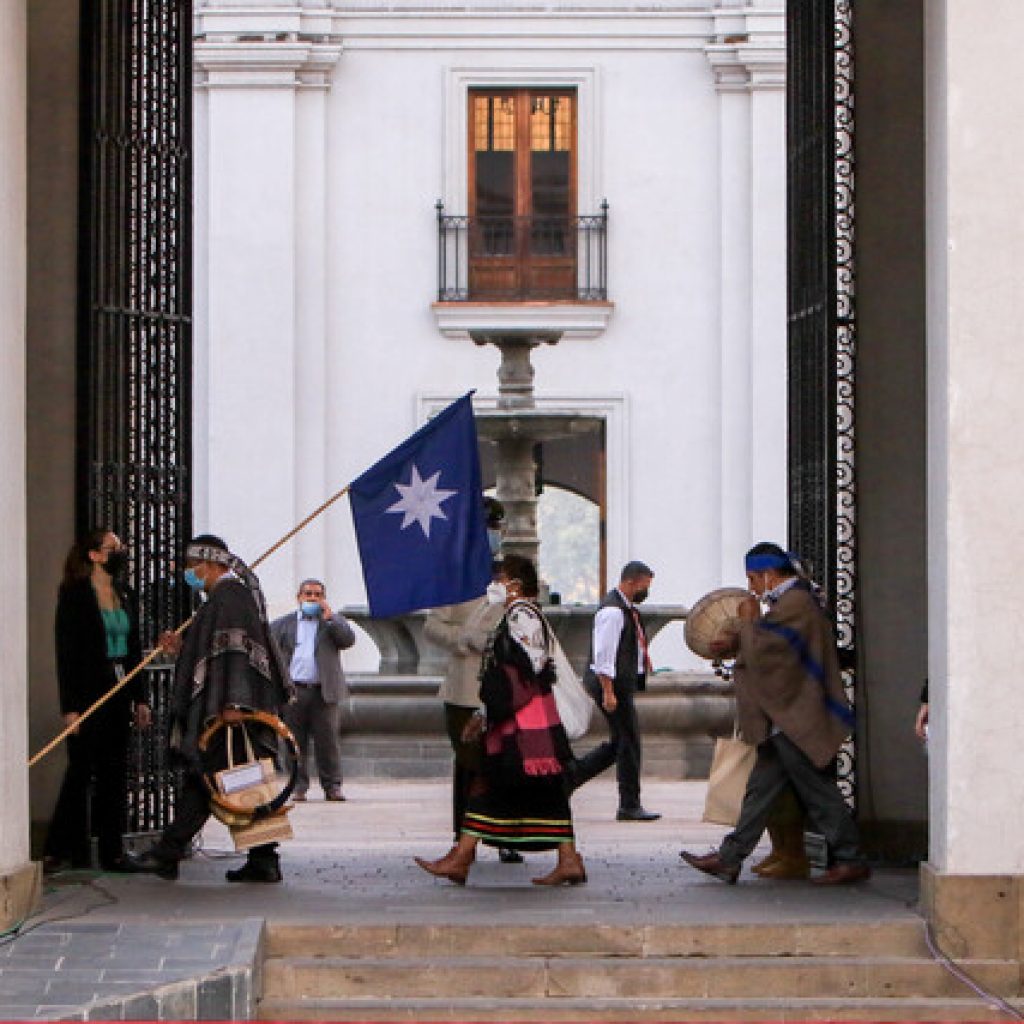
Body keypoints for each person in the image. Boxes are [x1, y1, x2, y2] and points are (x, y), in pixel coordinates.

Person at [680, 542, 870, 885]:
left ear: (768, 575)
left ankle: (850, 857)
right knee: (760, 790)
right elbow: (768, 642)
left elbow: (773, 653)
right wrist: (740, 638)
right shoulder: (789, 602)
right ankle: (729, 857)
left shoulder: (797, 602)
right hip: (782, 718)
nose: (752, 587)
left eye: (753, 579)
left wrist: (748, 625)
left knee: (818, 791)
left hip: (795, 715)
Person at [124, 534, 295, 883]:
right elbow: (210, 652)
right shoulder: (218, 600)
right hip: (225, 708)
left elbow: (236, 653)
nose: (189, 573)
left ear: (212, 563)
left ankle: (171, 851)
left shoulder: (230, 596)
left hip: (230, 710)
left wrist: (235, 702)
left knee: (208, 778)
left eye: (192, 566)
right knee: (229, 780)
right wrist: (181, 649)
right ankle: (260, 858)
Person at [414, 554, 586, 886]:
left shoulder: (521, 615)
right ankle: (567, 858)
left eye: (501, 579)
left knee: (489, 782)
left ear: (516, 585)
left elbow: (527, 669)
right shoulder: (518, 614)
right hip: (525, 716)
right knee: (543, 789)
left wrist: (489, 711)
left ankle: (462, 858)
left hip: (521, 720)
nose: (495, 585)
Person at [43, 529, 151, 873]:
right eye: (112, 548)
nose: (120, 552)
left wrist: (141, 698)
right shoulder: (75, 595)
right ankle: (62, 848)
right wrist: (70, 708)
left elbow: (135, 649)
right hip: (89, 692)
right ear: (94, 555)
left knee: (114, 773)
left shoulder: (125, 594)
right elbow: (67, 653)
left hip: (119, 689)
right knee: (80, 771)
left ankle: (113, 851)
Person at [566, 560, 660, 821]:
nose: (646, 591)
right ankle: (628, 804)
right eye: (644, 586)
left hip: (620, 685)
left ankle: (573, 776)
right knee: (628, 742)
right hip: (612, 686)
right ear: (631, 582)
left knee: (622, 742)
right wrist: (608, 691)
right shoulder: (612, 612)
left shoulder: (626, 609)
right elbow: (603, 655)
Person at [270, 578, 355, 802]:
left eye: (317, 595)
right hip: (294, 691)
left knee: (327, 742)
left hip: (323, 691)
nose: (312, 598)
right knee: (294, 742)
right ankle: (298, 786)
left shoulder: (331, 623)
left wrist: (332, 618)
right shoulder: (282, 624)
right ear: (299, 597)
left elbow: (348, 640)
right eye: (308, 594)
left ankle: (332, 786)